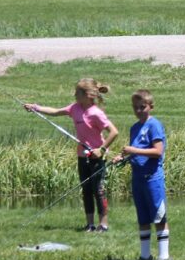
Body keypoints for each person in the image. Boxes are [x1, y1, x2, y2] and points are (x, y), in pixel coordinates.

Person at [25, 79, 118, 232]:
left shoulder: (96, 113)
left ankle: (103, 224)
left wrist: (101, 149)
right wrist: (36, 108)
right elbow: (55, 112)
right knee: (86, 190)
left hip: (97, 157)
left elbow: (114, 132)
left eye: (77, 93)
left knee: (98, 189)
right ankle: (90, 224)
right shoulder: (75, 108)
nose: (74, 95)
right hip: (82, 156)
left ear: (87, 95)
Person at [114, 89, 169, 260]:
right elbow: (133, 152)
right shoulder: (134, 128)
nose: (138, 110)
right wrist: (122, 158)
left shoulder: (154, 125)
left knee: (159, 216)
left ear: (150, 107)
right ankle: (145, 256)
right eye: (135, 107)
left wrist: (133, 150)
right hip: (137, 178)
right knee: (143, 218)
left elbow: (157, 151)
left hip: (152, 178)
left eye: (142, 107)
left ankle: (164, 257)